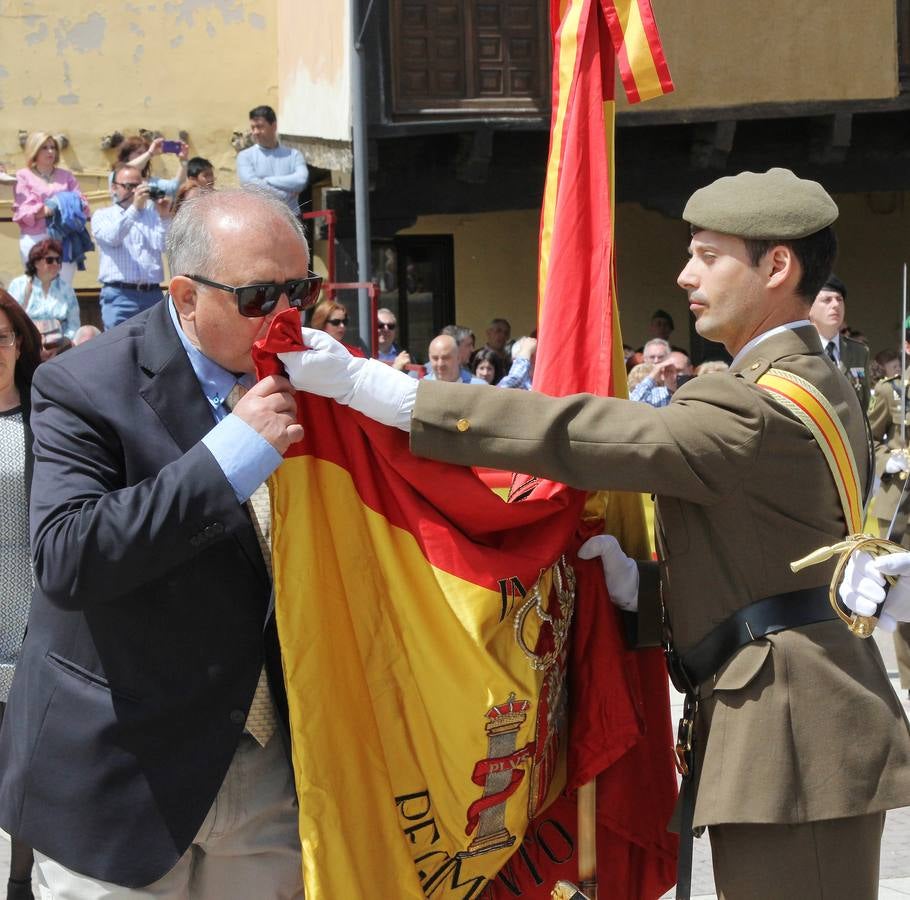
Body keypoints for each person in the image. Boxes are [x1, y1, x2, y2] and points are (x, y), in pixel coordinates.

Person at [284, 167, 910, 899]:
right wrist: (643, 591)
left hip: (793, 733)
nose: (685, 275)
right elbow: (768, 559)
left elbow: (590, 433)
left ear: (777, 266)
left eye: (709, 256)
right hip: (799, 713)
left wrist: (393, 395)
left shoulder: (749, 404)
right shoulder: (819, 379)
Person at [0, 186, 321, 898]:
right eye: (261, 296)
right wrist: (227, 459)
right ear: (184, 296)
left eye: (303, 288)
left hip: (269, 772)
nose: (288, 317)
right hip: (122, 776)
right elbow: (67, 557)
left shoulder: (318, 378)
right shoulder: (80, 384)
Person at [0, 291, 42, 900]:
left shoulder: (48, 415)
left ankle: (22, 884)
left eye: (2, 336)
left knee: (30, 773)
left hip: (36, 613)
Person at [91, 163, 172, 330]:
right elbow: (112, 237)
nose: (135, 191)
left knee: (154, 347)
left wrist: (164, 216)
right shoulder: (102, 215)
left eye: (138, 186)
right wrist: (135, 208)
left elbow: (166, 246)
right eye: (129, 186)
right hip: (120, 295)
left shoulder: (153, 215)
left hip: (153, 294)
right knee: (118, 351)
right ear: (114, 188)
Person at [12, 132, 90, 286]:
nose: (50, 152)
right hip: (35, 238)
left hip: (65, 238)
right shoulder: (23, 175)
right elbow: (25, 210)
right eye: (44, 148)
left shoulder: (66, 176)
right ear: (34, 150)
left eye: (53, 147)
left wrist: (53, 207)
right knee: (37, 285)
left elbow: (82, 205)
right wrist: (62, 205)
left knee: (63, 284)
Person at [809, 274, 871, 409]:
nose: (836, 304)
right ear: (810, 308)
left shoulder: (859, 352)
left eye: (839, 299)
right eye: (827, 300)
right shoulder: (802, 349)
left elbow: (865, 406)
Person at [236, 105, 308, 212]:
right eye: (253, 127)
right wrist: (284, 195)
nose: (255, 132)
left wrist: (268, 180)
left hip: (291, 219)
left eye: (260, 126)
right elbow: (250, 185)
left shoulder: (294, 155)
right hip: (261, 218)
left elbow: (301, 181)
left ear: (273, 126)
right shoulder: (245, 156)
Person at [6, 239, 81, 341]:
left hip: (59, 347)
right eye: (49, 260)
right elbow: (10, 320)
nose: (55, 263)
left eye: (58, 260)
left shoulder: (66, 289)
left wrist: (63, 344)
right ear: (36, 262)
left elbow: (74, 325)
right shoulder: (18, 285)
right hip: (27, 344)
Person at [109, 135, 189, 200]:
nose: (144, 156)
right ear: (127, 155)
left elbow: (175, 188)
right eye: (139, 153)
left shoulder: (152, 181)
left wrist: (184, 160)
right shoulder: (117, 176)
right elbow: (125, 169)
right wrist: (150, 153)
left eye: (144, 153)